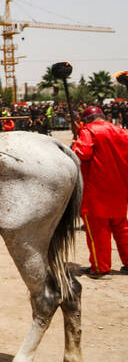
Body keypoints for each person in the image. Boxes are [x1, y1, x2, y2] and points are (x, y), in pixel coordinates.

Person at [71, 106, 128, 278]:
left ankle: (100, 268)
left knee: (98, 229)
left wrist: (75, 143)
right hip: (120, 188)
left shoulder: (89, 131)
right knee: (121, 227)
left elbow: (83, 153)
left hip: (96, 188)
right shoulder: (122, 131)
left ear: (87, 119)